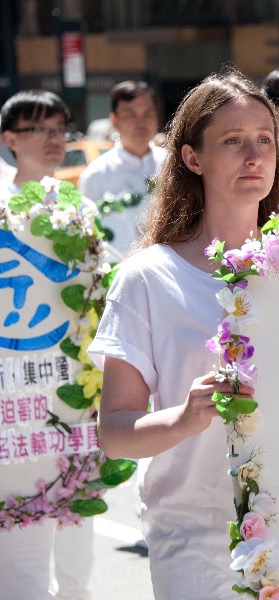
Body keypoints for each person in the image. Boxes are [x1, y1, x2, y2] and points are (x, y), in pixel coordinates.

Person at [88, 68, 279, 598]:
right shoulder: (148, 277)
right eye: (233, 141)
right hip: (195, 539)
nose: (254, 155)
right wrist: (183, 417)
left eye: (265, 140)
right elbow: (115, 431)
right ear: (192, 158)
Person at [0, 90, 95, 600]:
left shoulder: (81, 207)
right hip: (14, 387)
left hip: (72, 385)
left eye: (61, 128)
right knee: (21, 527)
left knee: (78, 515)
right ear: (10, 140)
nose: (55, 139)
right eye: (41, 130)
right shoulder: (0, 211)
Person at [77, 80, 166, 256]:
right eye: (131, 115)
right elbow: (85, 233)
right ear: (114, 121)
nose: (141, 122)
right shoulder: (96, 175)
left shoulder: (172, 165)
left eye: (148, 113)